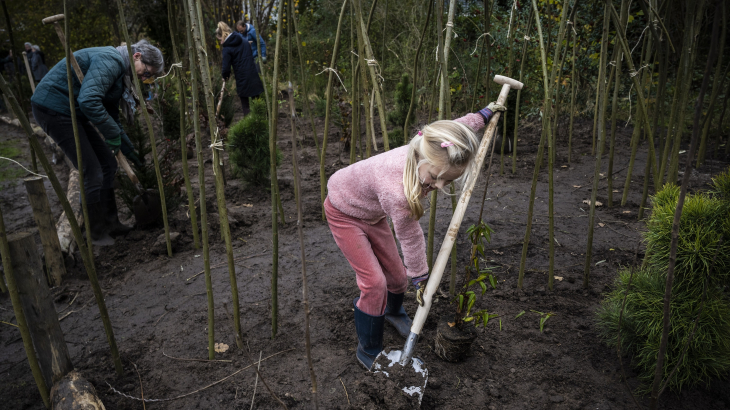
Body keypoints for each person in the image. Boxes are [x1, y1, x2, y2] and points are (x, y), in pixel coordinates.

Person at [324, 103, 505, 370]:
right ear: (422, 159)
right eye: (435, 177)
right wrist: (421, 276)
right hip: (344, 212)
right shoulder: (396, 190)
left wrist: (482, 116)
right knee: (374, 284)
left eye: (448, 182)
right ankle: (369, 349)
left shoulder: (430, 144)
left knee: (397, 277)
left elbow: (454, 129)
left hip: (371, 214)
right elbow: (409, 236)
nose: (439, 186)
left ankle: (393, 312)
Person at [31, 39, 164, 245]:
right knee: (91, 170)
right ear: (137, 57)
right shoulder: (112, 61)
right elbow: (89, 100)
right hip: (54, 108)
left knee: (108, 164)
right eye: (146, 73)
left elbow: (112, 118)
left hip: (73, 112)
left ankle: (112, 224)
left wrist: (132, 154)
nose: (144, 78)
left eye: (149, 77)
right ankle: (95, 233)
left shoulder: (121, 73)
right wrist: (111, 135)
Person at [216, 22, 264, 117]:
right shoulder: (242, 38)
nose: (220, 42)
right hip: (253, 73)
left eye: (220, 39)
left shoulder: (227, 48)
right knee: (257, 102)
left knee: (245, 105)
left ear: (223, 35)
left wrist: (224, 76)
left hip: (242, 77)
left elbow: (226, 67)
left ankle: (249, 124)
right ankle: (261, 122)